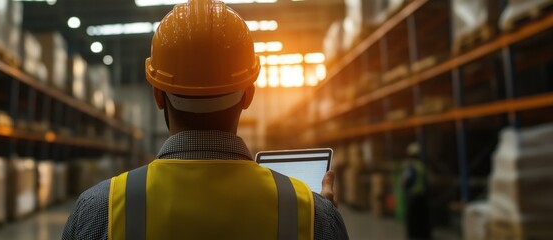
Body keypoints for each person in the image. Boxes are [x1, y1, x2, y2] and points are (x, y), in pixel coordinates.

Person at [62, 0, 348, 239]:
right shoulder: (312, 216)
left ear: (158, 96)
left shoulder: (100, 211)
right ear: (248, 95)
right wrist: (319, 220)